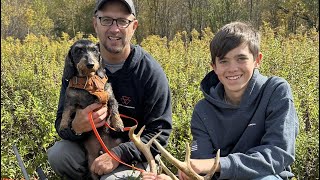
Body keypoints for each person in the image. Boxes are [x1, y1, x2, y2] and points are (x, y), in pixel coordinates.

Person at [47, 0, 172, 179]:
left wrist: (118, 154)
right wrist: (76, 127)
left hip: (135, 155)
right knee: (59, 154)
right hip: (89, 146)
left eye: (122, 21)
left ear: (134, 26)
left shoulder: (150, 72)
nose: (114, 29)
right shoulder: (78, 68)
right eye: (106, 20)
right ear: (95, 23)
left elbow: (160, 133)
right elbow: (61, 123)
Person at [176, 21, 299, 180]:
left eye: (241, 58)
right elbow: (202, 163)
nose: (232, 68)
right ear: (214, 66)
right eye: (224, 61)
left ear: (257, 60)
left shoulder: (276, 91)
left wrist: (218, 164)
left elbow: (278, 154)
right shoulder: (203, 110)